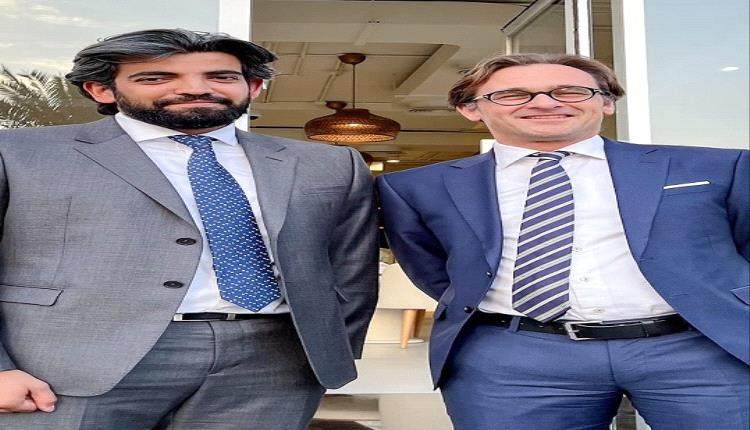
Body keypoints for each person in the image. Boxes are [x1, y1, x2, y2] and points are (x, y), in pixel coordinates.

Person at [0, 29, 378, 430]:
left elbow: (351, 270)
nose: (196, 89)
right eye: (156, 78)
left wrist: (329, 352)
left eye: (221, 76)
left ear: (253, 87)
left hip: (273, 362)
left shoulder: (329, 164)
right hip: (66, 363)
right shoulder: (18, 152)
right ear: (102, 90)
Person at [377, 53, 749, 430]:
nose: (544, 103)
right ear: (470, 109)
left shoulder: (717, 168)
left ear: (607, 102)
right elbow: (433, 269)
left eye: (570, 91)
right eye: (513, 94)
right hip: (515, 358)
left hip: (701, 346)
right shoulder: (415, 187)